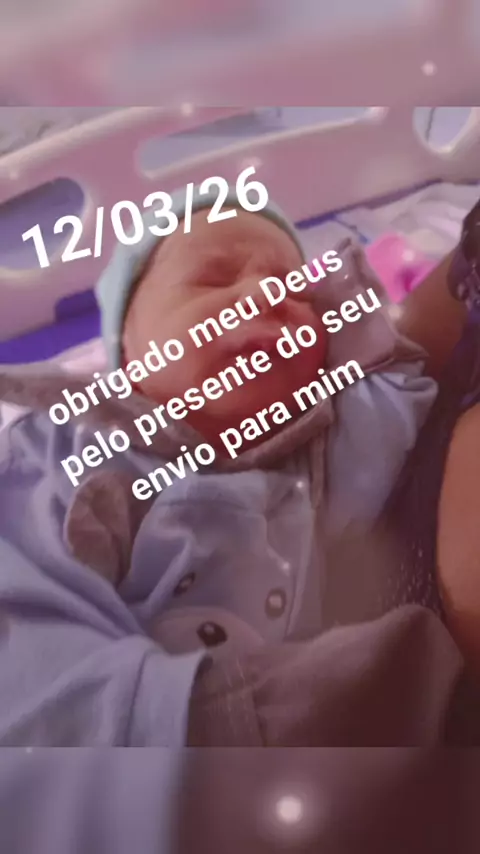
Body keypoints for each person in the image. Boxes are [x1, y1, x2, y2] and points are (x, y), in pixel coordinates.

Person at [0, 184, 468, 747]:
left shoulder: (339, 432)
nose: (264, 295)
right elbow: (29, 642)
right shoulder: (71, 445)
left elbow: (398, 372)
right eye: (214, 279)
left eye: (294, 290)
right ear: (127, 345)